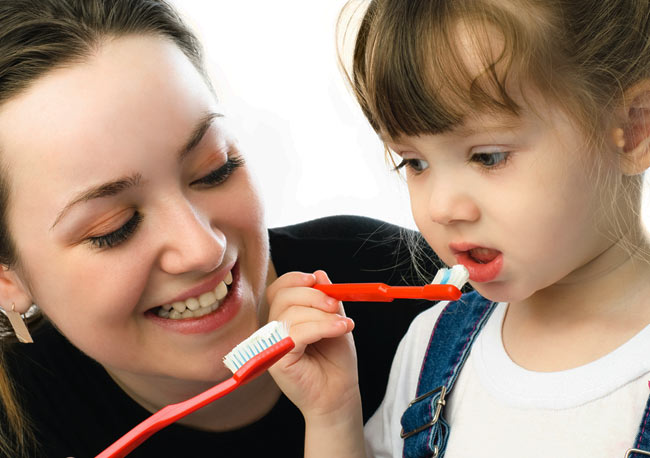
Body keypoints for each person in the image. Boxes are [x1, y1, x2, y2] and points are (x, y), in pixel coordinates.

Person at [0, 1, 444, 457]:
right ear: (6, 277)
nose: (203, 249)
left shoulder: (413, 294)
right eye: (114, 228)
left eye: (215, 169)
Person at [274, 0, 650, 457]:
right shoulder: (431, 342)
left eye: (487, 156)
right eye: (415, 162)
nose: (440, 207)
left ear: (634, 129)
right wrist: (331, 415)